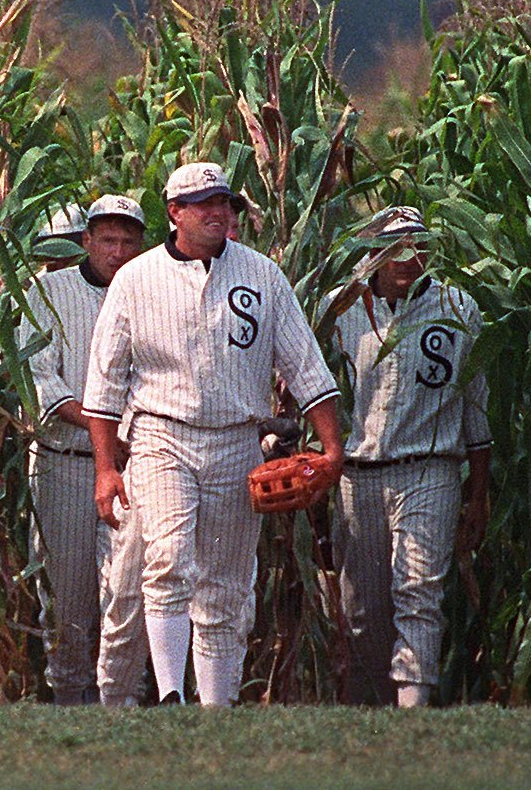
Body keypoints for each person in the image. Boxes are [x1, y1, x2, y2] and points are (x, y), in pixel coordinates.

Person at [82, 162, 343, 706]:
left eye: (223, 201)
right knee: (170, 559)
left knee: (226, 585)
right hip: (160, 434)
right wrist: (107, 469)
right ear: (175, 213)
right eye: (203, 204)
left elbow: (306, 366)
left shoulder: (262, 275)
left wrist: (333, 448)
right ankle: (173, 692)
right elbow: (103, 386)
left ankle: (215, 709)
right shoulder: (136, 279)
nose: (218, 212)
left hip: (236, 440)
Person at [328, 206, 490, 709]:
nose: (407, 258)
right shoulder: (339, 309)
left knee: (419, 592)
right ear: (371, 252)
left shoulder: (458, 306)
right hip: (357, 475)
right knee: (363, 608)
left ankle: (413, 710)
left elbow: (475, 408)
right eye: (394, 247)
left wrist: (479, 494)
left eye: (418, 246)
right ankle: (377, 706)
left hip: (430, 468)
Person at [18, 194, 147, 704]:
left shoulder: (153, 289)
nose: (117, 251)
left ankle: (126, 702)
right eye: (107, 239)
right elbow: (42, 382)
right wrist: (105, 436)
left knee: (128, 591)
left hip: (138, 466)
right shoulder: (46, 292)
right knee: (66, 598)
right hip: (63, 464)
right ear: (86, 240)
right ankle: (70, 703)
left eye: (128, 241)